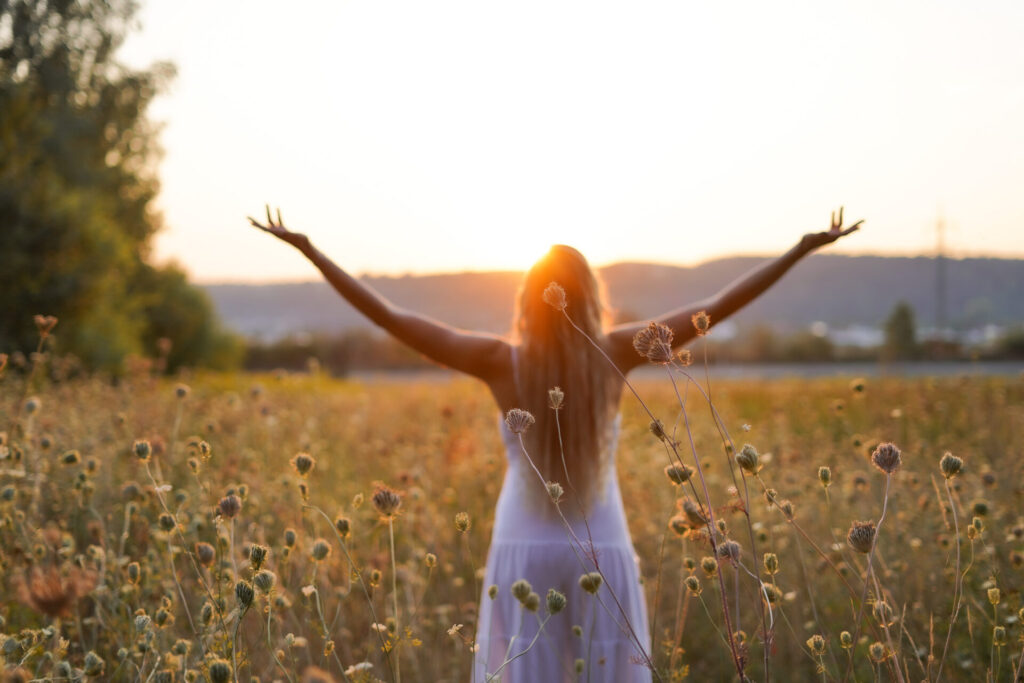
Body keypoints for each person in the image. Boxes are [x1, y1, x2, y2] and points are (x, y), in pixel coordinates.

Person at [249, 207, 861, 682]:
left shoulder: (497, 361)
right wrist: (800, 249)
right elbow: (715, 307)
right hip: (602, 549)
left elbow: (390, 317)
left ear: (526, 298)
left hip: (523, 550)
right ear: (590, 298)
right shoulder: (615, 352)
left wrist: (310, 251)